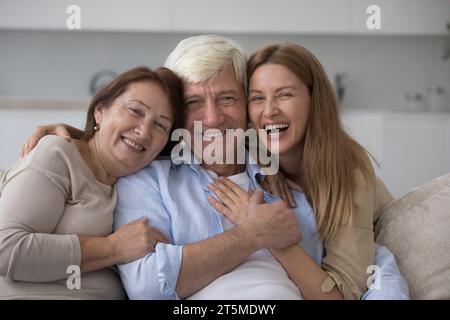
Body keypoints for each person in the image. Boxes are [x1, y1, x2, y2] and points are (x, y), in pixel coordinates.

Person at [20, 36, 408, 300]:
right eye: (193, 103)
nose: (213, 118)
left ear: (247, 107)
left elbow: (346, 273)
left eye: (227, 98)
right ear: (175, 115)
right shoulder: (150, 177)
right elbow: (147, 287)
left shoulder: (286, 172)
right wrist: (254, 235)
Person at [206, 42, 409, 299]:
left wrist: (266, 234)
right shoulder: (251, 152)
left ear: (314, 101)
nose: (269, 110)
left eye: (284, 94)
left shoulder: (349, 171)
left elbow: (341, 294)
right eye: (258, 97)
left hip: (367, 256)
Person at [0, 66, 184, 299]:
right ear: (100, 111)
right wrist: (114, 248)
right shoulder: (57, 153)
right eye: (135, 111)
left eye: (160, 125)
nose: (144, 131)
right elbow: (5, 249)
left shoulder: (140, 182)